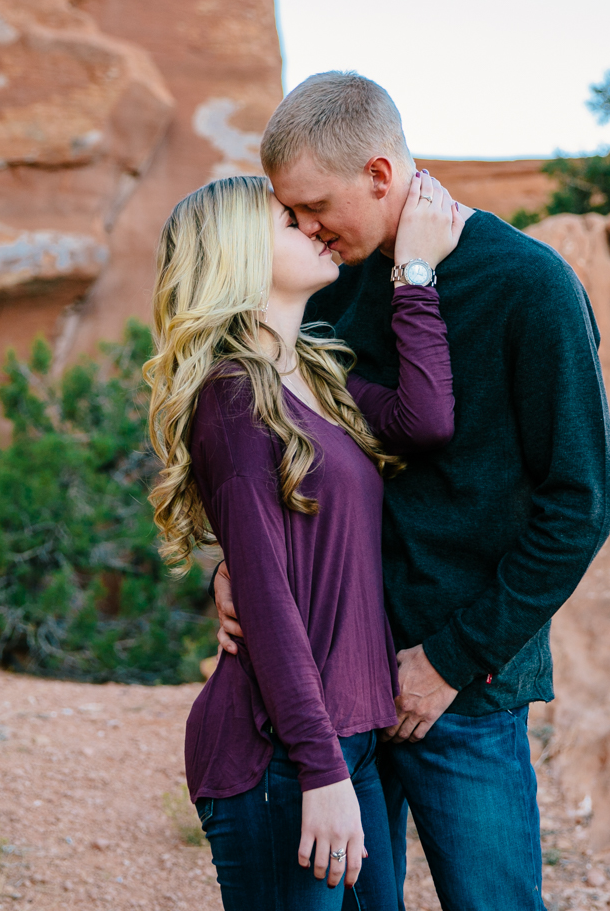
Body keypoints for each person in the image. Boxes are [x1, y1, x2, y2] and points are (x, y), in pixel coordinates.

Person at [212, 72, 610, 910]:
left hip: (462, 692)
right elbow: (281, 442)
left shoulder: (531, 288)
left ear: (381, 175)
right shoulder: (330, 281)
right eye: (291, 216)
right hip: (334, 677)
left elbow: (581, 507)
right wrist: (237, 565)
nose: (306, 229)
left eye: (316, 206)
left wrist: (448, 662)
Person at [145, 171, 464, 910]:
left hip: (347, 737)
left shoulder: (320, 375)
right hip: (280, 754)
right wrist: (321, 773)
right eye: (291, 221)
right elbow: (269, 599)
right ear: (238, 257)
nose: (316, 228)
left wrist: (414, 273)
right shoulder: (232, 396)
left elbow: (427, 420)